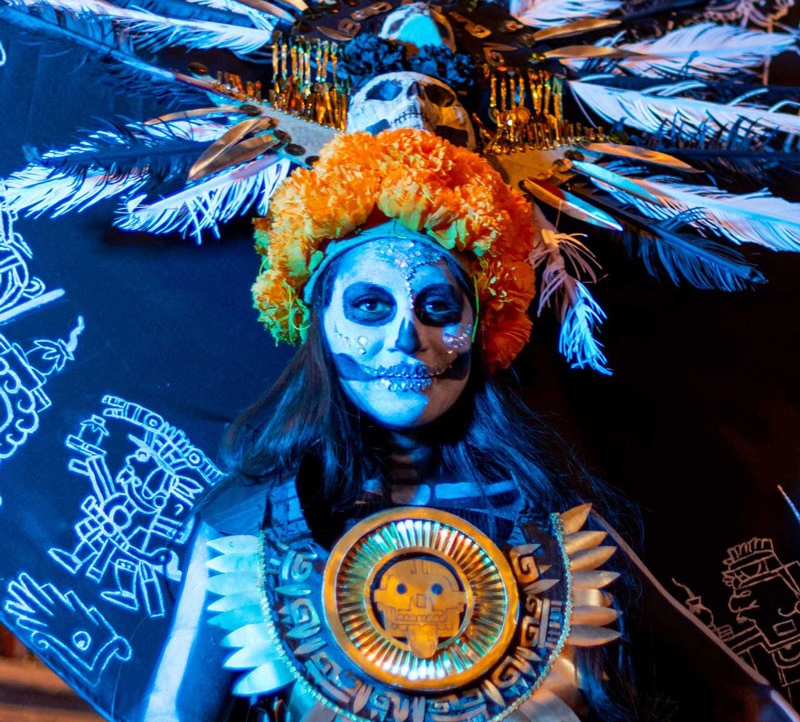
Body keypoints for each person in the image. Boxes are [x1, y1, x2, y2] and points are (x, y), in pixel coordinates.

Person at [141, 129, 800, 722]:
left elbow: (738, 699)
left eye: (437, 306)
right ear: (319, 327)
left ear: (482, 328)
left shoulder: (564, 525)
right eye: (370, 305)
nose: (406, 338)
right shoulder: (244, 526)